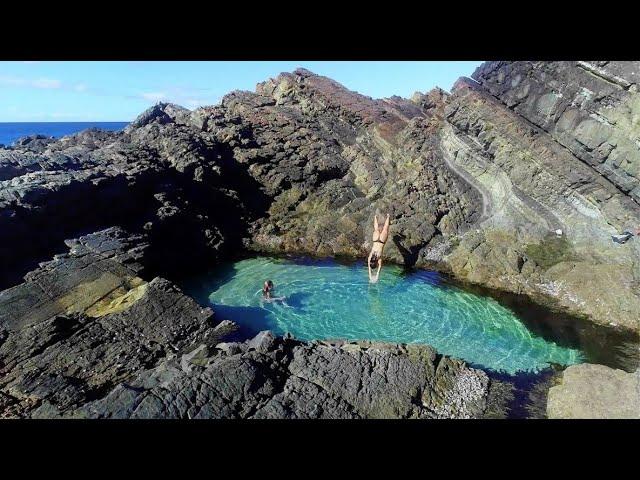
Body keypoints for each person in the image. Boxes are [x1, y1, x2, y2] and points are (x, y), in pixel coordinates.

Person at [368, 213, 390, 283]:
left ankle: (388, 216)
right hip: (375, 239)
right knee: (376, 228)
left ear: (377, 263)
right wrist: (370, 275)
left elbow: (380, 267)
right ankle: (375, 216)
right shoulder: (370, 257)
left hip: (382, 241)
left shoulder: (378, 258)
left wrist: (377, 276)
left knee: (386, 228)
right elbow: (369, 267)